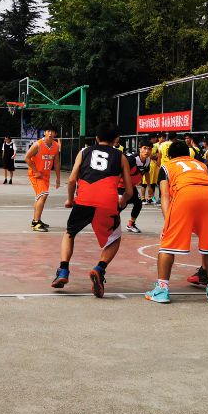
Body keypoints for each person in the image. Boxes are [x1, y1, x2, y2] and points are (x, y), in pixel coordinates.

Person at [51, 122, 132, 298]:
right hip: (107, 200)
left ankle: (63, 269)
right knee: (115, 239)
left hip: (84, 198)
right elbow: (129, 190)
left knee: (69, 233)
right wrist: (122, 201)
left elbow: (71, 180)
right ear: (116, 140)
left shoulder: (84, 152)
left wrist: (70, 200)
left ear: (96, 138)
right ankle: (99, 268)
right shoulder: (121, 157)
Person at [145, 139, 208, 304]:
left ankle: (162, 290)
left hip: (186, 194)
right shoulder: (201, 165)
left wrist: (168, 223)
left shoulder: (167, 166)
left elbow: (165, 195)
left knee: (167, 245)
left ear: (170, 155)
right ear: (188, 154)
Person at [24, 125, 61, 231]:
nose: (50, 133)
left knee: (40, 197)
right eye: (48, 131)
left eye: (53, 131)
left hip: (45, 175)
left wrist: (58, 178)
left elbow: (56, 162)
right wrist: (36, 171)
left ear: (55, 134)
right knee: (43, 195)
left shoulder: (56, 145)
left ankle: (36, 220)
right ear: (44, 132)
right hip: (36, 174)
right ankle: (36, 222)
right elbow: (27, 158)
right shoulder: (38, 144)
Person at [123, 141, 151, 233]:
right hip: (121, 185)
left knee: (138, 203)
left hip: (131, 185)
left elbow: (147, 173)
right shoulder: (132, 159)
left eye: (149, 149)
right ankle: (109, 222)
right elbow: (121, 172)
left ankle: (131, 224)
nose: (147, 151)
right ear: (140, 149)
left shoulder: (147, 160)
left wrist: (149, 186)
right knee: (121, 205)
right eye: (144, 148)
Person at [147, 133, 162, 204]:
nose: (156, 139)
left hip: (155, 167)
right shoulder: (148, 145)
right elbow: (149, 156)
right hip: (148, 166)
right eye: (155, 138)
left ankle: (152, 198)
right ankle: (148, 198)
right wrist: (153, 156)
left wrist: (154, 156)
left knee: (153, 183)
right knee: (147, 183)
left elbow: (157, 155)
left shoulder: (156, 146)